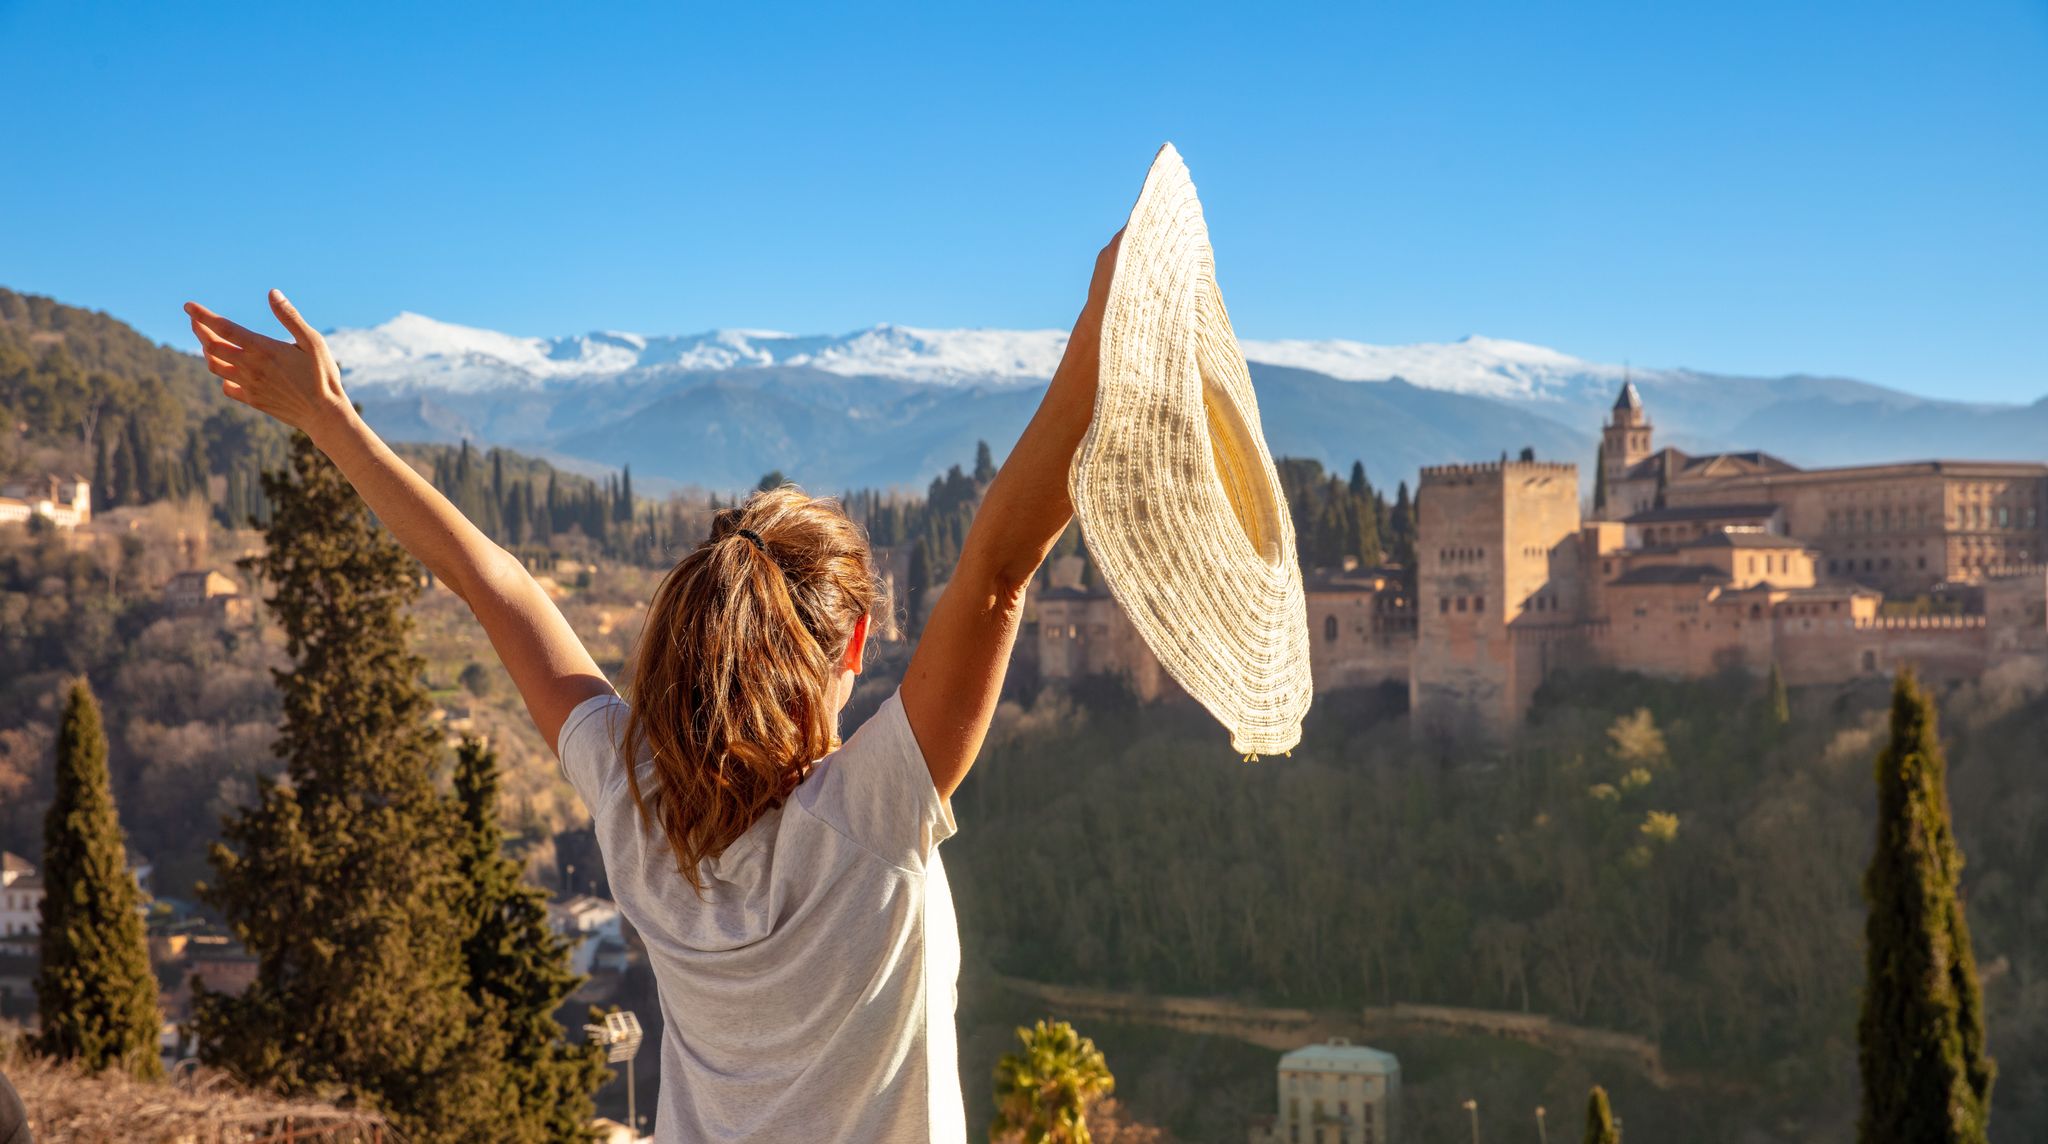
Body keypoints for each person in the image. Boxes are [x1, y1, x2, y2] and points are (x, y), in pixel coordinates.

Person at [182, 230, 1119, 1142]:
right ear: (857, 643)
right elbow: (994, 570)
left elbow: (489, 583)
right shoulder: (872, 821)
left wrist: (331, 421)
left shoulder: (636, 804)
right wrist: (1110, 328)